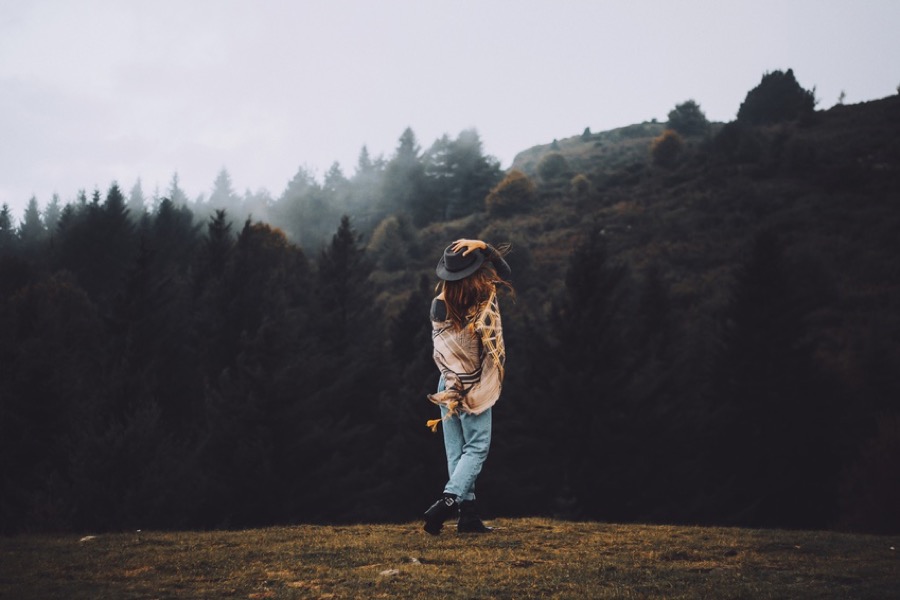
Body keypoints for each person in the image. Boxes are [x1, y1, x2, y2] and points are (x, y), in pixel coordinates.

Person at [422, 238, 513, 535]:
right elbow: (506, 271)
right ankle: (448, 502)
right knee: (476, 449)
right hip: (474, 383)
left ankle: (468, 516)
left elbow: (444, 349)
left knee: (456, 450)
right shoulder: (483, 299)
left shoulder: (438, 304)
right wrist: (486, 247)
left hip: (447, 382)